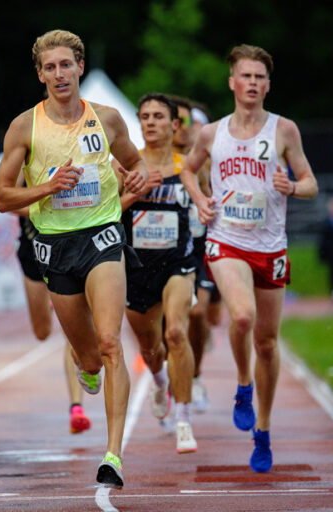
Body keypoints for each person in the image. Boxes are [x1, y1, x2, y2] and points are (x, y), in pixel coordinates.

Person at [0, 29, 147, 488]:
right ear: (40, 74)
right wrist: (48, 187)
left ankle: (113, 455)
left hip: (102, 236)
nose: (59, 74)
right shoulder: (25, 126)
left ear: (80, 67)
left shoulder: (109, 119)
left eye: (66, 65)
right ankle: (86, 368)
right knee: (89, 357)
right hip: (54, 247)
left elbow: (134, 163)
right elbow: (3, 197)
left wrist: (135, 183)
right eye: (50, 67)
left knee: (110, 342)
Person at [181, 44, 318, 473]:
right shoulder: (211, 133)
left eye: (260, 77)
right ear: (232, 82)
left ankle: (263, 428)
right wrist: (201, 198)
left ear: (268, 84)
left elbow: (312, 182)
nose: (253, 83)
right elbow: (187, 168)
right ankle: (243, 384)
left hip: (271, 246)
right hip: (226, 241)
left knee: (268, 342)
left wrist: (292, 187)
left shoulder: (284, 131)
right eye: (246, 76)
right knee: (241, 317)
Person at [116, 93, 198, 454]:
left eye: (158, 116)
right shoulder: (125, 167)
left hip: (178, 262)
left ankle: (184, 419)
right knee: (151, 349)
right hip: (136, 266)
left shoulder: (190, 166)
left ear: (174, 125)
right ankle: (160, 381)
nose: (150, 122)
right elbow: (108, 212)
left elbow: (208, 200)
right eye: (145, 116)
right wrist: (137, 192)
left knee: (177, 331)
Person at [12, 181, 91, 435]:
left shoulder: (76, 146)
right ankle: (51, 301)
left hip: (70, 246)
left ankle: (76, 407)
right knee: (42, 332)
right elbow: (9, 200)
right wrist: (48, 204)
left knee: (74, 331)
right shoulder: (25, 147)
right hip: (33, 247)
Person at [169, 95, 222, 414]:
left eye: (194, 123)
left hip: (199, 246)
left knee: (203, 316)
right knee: (169, 326)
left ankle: (196, 372)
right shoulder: (151, 158)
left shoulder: (204, 159)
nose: (189, 129)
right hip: (162, 250)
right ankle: (168, 379)